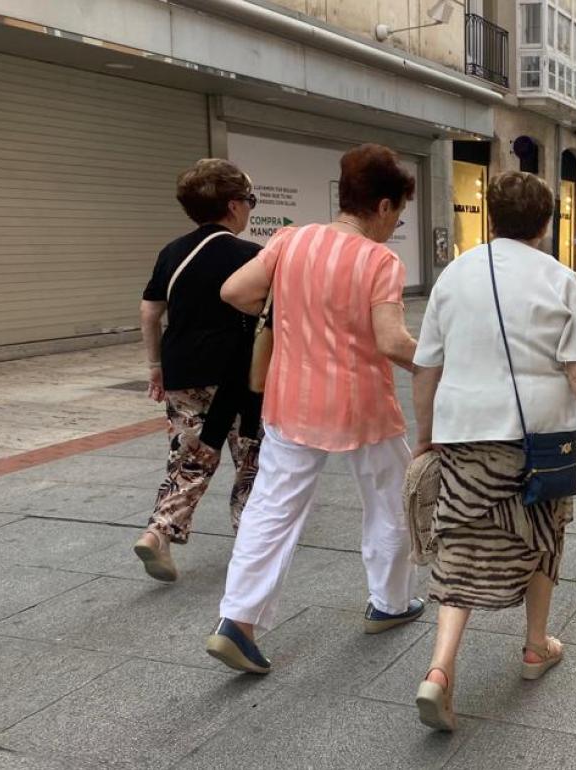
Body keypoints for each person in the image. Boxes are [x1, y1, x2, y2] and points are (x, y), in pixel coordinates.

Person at [410, 171, 576, 732]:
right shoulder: (558, 280)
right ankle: (535, 647)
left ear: (493, 218)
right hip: (540, 439)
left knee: (460, 540)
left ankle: (439, 670)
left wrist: (424, 435)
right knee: (544, 534)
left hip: (462, 432)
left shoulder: (454, 274)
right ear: (544, 223)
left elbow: (427, 366)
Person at [204, 143, 424, 674]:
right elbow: (392, 341)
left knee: (272, 508)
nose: (395, 224)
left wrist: (289, 314)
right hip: (361, 404)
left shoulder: (290, 241)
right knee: (388, 501)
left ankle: (238, 620)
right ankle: (389, 603)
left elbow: (234, 290)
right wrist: (442, 365)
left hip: (291, 401)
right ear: (385, 206)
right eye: (397, 212)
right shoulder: (379, 260)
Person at [133, 159, 264, 583]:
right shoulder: (251, 256)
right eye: (250, 201)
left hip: (182, 370)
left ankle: (158, 533)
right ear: (232, 205)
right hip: (236, 375)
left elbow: (150, 311)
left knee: (189, 456)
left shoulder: (172, 251)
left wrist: (154, 365)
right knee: (251, 461)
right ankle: (251, 547)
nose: (249, 209)